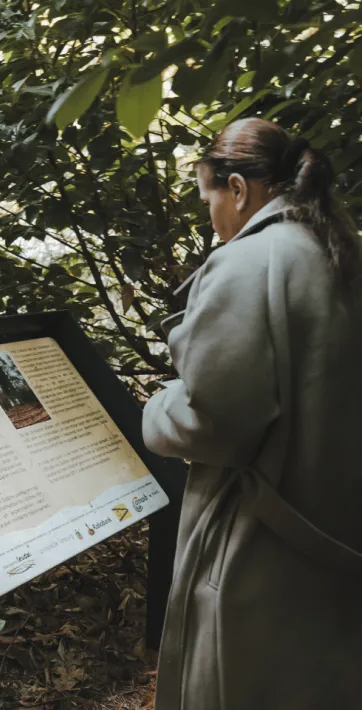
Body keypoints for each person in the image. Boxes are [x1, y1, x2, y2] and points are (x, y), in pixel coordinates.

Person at [142, 117, 362, 710]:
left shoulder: (250, 261)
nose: (209, 218)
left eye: (208, 198)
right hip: (335, 524)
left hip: (264, 542)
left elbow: (213, 421)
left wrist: (157, 406)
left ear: (237, 189)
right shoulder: (339, 248)